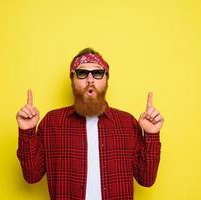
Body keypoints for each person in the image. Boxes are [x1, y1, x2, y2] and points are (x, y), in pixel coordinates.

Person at [16, 48, 164, 200]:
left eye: (97, 73)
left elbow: (146, 179)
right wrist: (27, 132)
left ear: (106, 79)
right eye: (82, 73)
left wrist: (151, 135)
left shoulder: (127, 123)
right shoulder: (52, 122)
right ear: (73, 79)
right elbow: (31, 176)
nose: (90, 80)